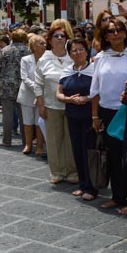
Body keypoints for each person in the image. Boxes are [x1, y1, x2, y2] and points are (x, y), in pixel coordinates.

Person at [90, 17, 127, 213]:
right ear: (105, 36)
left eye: (119, 30)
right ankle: (118, 196)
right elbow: (95, 89)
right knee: (113, 156)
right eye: (111, 31)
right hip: (107, 111)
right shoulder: (100, 57)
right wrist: (95, 116)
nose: (116, 34)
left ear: (125, 32)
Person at [35, 21, 77, 183]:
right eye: (56, 36)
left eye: (63, 36)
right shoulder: (44, 59)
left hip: (72, 104)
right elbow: (38, 83)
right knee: (53, 140)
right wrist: (40, 105)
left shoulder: (73, 56)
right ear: (49, 40)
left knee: (70, 140)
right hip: (51, 105)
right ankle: (57, 172)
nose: (59, 38)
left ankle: (72, 171)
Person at [57, 38, 96, 200]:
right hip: (72, 114)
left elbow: (99, 91)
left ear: (87, 51)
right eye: (74, 50)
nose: (77, 53)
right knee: (77, 150)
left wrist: (86, 98)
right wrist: (70, 100)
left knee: (89, 151)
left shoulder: (94, 69)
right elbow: (58, 94)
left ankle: (92, 187)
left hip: (89, 115)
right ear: (69, 54)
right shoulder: (66, 71)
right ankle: (82, 184)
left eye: (80, 49)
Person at [0, 29, 30, 148]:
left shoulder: (5, 50)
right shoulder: (28, 51)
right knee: (24, 115)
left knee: (7, 114)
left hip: (7, 85)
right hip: (24, 85)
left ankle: (7, 140)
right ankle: (26, 141)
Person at [19, 34, 47, 155]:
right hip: (28, 94)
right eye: (41, 43)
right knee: (28, 121)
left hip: (43, 95)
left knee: (39, 121)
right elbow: (24, 78)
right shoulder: (25, 59)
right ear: (34, 46)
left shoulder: (48, 59)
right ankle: (28, 144)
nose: (44, 46)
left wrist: (40, 91)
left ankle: (40, 146)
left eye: (45, 43)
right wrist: (37, 89)